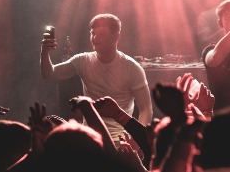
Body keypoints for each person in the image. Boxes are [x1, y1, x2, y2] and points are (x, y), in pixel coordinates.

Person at [40, 13, 153, 142]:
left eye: (101, 34)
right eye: (92, 33)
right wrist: (44, 52)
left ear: (116, 36)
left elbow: (146, 109)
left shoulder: (132, 68)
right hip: (91, 138)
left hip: (120, 141)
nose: (95, 37)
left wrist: (136, 140)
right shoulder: (83, 60)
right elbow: (49, 74)